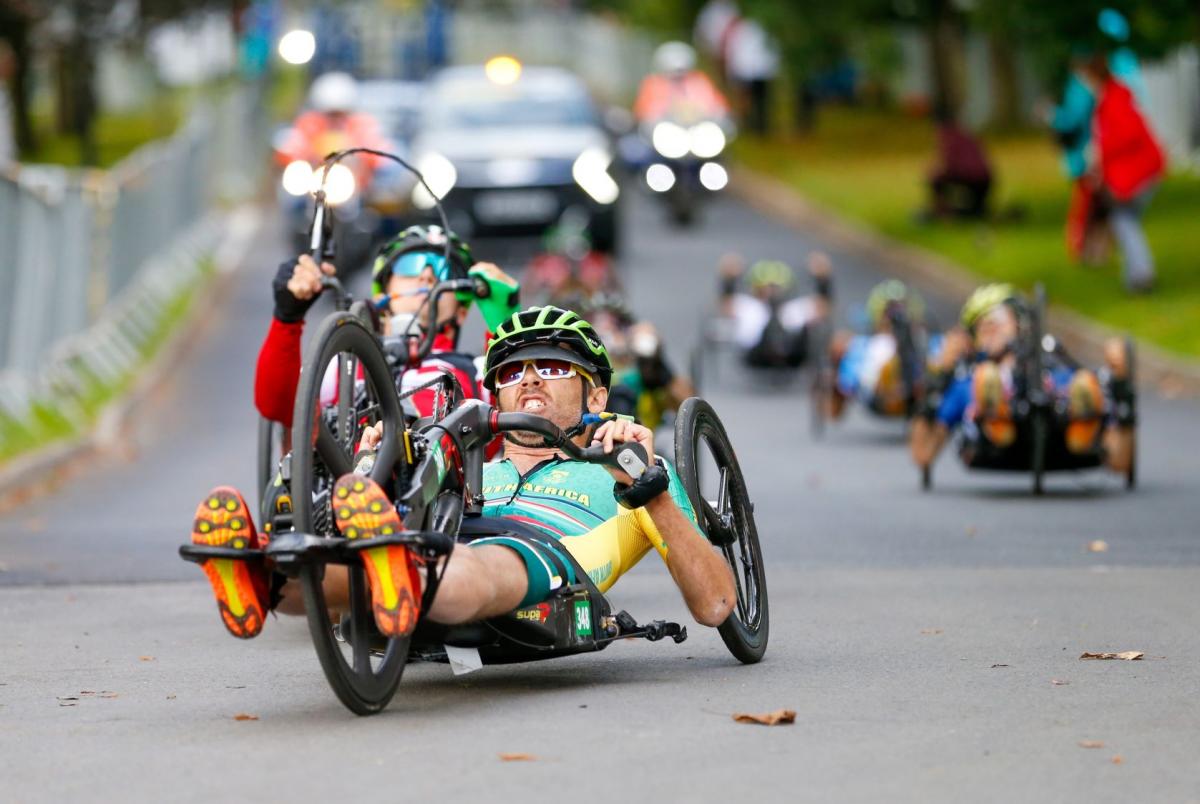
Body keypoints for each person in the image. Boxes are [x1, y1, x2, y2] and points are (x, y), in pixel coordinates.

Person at [189, 306, 735, 640]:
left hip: (545, 556)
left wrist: (651, 491)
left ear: (595, 393)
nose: (529, 380)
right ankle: (263, 580)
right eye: (512, 373)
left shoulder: (630, 472)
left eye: (550, 366)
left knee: (470, 561)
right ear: (495, 394)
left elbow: (715, 604)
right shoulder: (475, 469)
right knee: (361, 563)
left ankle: (399, 567)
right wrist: (372, 467)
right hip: (432, 545)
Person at [909, 283, 1135, 475]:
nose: (990, 327)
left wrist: (1121, 386)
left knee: (1085, 384)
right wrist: (937, 380)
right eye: (982, 326)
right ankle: (995, 418)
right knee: (985, 379)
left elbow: (1120, 463)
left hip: (1060, 430)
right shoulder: (966, 383)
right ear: (973, 341)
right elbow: (923, 455)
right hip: (993, 442)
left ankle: (1083, 431)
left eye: (997, 319)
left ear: (1019, 323)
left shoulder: (1053, 362)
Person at [1081, 52, 1165, 294]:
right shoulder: (1112, 97)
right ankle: (1137, 274)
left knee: (1124, 220)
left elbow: (1126, 134)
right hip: (1135, 172)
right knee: (1126, 222)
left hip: (1136, 173)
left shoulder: (1113, 99)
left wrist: (1101, 152)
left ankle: (1140, 275)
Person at [828, 279, 936, 419]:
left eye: (901, 310)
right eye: (890, 312)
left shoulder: (925, 341)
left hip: (913, 381)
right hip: (879, 392)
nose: (895, 318)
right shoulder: (864, 345)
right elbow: (850, 380)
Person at [586, 294, 694, 430]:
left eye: (616, 323)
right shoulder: (579, 360)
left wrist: (657, 363)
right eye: (597, 322)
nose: (606, 330)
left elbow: (687, 405)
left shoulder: (643, 363)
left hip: (640, 430)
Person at [273, 71, 392, 188]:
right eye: (331, 114)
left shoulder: (361, 125)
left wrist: (368, 161)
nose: (335, 118)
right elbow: (295, 146)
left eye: (340, 113)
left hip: (355, 185)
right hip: (315, 184)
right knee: (292, 198)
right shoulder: (309, 124)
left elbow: (375, 148)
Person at [718, 252, 833, 370]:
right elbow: (727, 304)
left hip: (792, 354)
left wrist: (822, 279)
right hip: (755, 354)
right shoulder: (748, 306)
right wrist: (729, 278)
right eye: (765, 288)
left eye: (775, 288)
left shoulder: (794, 308)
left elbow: (822, 307)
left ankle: (781, 347)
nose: (771, 292)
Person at [633, 41, 729, 126]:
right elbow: (643, 111)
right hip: (668, 129)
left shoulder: (700, 80)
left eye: (681, 70)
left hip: (699, 128)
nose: (678, 75)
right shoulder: (654, 84)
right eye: (674, 71)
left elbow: (717, 104)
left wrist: (718, 115)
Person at [924, 109, 993, 221]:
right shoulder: (965, 133)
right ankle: (970, 210)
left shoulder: (947, 136)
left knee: (936, 180)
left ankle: (943, 211)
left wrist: (933, 173)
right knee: (977, 210)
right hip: (985, 178)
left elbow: (949, 163)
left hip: (972, 178)